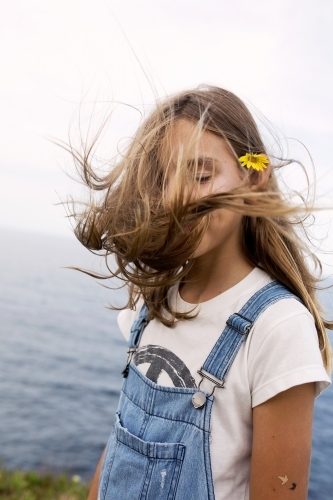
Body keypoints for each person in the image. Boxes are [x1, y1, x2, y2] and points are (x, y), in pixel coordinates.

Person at [70, 86, 332, 499]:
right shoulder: (153, 298)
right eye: (162, 179)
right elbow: (122, 438)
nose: (176, 198)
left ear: (253, 177)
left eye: (202, 175)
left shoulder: (278, 327)